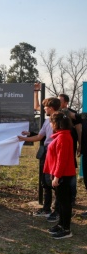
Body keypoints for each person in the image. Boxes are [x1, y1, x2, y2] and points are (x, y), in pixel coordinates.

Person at [18, 97, 61, 218]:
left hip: (55, 153)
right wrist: (25, 137)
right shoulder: (47, 121)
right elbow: (40, 136)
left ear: (51, 108)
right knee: (45, 181)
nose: (44, 109)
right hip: (46, 153)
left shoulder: (60, 120)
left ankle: (57, 210)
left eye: (45, 107)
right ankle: (46, 208)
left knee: (55, 181)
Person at [45, 111, 75, 239]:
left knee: (64, 203)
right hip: (59, 174)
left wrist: (57, 176)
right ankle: (61, 224)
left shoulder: (63, 137)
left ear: (56, 123)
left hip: (63, 175)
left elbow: (62, 160)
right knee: (61, 202)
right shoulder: (61, 135)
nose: (50, 124)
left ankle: (66, 229)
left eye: (51, 122)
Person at [58, 93, 82, 206]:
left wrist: (80, 145)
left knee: (70, 169)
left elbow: (79, 131)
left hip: (70, 146)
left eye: (60, 101)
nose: (58, 102)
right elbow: (39, 108)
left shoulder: (73, 114)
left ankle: (72, 196)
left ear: (66, 102)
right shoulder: (55, 112)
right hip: (57, 146)